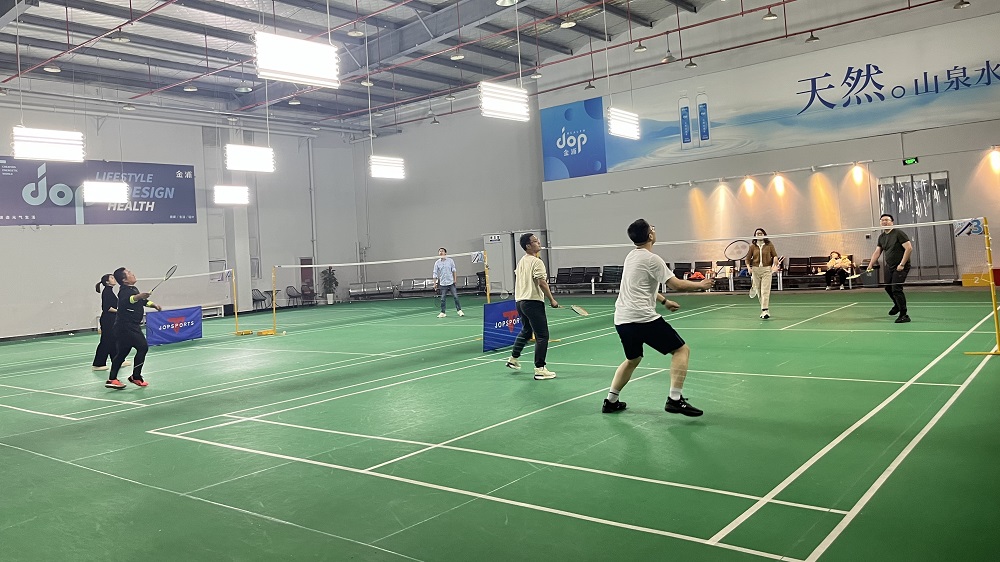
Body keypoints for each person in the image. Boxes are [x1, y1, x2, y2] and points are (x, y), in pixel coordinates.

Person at [602, 219, 714, 415]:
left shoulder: (631, 256)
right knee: (681, 350)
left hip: (622, 319)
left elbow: (642, 287)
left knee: (633, 359)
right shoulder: (653, 259)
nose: (654, 230)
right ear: (650, 236)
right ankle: (675, 399)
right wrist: (701, 285)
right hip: (642, 318)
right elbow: (676, 284)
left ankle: (611, 401)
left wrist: (664, 301)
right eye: (652, 228)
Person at [505, 233, 559, 380]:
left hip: (520, 302)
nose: (538, 242)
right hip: (533, 302)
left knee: (527, 331)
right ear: (528, 246)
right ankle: (540, 369)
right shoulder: (537, 262)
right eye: (535, 241)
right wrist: (552, 300)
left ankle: (513, 359)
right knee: (542, 335)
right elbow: (542, 283)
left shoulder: (521, 261)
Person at [106, 267, 162, 389]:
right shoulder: (124, 291)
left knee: (122, 353)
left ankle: (112, 379)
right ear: (124, 280)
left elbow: (141, 301)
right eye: (129, 273)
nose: (133, 274)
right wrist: (140, 296)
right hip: (127, 326)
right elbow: (130, 300)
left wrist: (153, 305)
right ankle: (136, 376)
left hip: (126, 327)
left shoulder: (133, 289)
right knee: (143, 347)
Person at [867, 213, 913, 323]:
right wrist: (870, 264)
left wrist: (902, 264)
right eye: (882, 220)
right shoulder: (882, 237)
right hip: (890, 266)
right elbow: (877, 252)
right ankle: (897, 305)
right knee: (888, 288)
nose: (884, 222)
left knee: (896, 289)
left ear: (892, 222)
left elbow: (909, 248)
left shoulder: (898, 233)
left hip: (901, 266)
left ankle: (904, 314)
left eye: (887, 220)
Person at [92, 274, 128, 371]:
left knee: (114, 340)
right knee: (106, 341)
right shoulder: (107, 292)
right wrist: (120, 311)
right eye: (112, 278)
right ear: (107, 282)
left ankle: (117, 360)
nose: (114, 279)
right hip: (108, 320)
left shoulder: (110, 291)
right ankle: (98, 364)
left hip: (112, 319)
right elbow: (107, 308)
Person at [744, 227, 779, 319]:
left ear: (764, 234)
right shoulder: (752, 246)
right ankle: (763, 310)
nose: (759, 235)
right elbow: (747, 259)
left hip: (766, 270)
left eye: (760, 233)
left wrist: (775, 260)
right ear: (755, 236)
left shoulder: (769, 245)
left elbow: (774, 255)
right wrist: (748, 268)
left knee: (765, 291)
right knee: (759, 292)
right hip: (755, 270)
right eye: (757, 234)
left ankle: (765, 310)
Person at [432, 247, 464, 318]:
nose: (441, 252)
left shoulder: (450, 261)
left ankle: (459, 310)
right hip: (443, 284)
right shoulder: (437, 263)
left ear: (445, 253)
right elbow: (435, 273)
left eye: (442, 251)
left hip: (451, 282)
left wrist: (455, 279)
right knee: (442, 299)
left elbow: (454, 270)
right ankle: (443, 312)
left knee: (455, 297)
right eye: (439, 251)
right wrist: (434, 284)